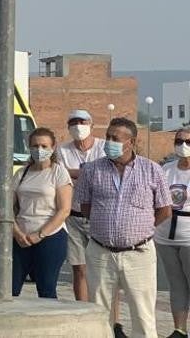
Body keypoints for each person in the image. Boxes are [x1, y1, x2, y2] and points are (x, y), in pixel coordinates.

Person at [74, 117, 172, 338]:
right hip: (101, 252)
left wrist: (142, 229)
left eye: (114, 138)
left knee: (143, 315)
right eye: (107, 137)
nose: (108, 141)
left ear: (131, 142)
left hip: (139, 254)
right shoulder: (92, 170)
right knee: (99, 314)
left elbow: (165, 210)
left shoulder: (152, 170)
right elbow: (85, 206)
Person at [11, 127, 72, 298]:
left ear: (53, 148)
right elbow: (8, 206)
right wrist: (16, 232)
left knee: (46, 288)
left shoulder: (58, 172)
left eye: (44, 146)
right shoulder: (21, 173)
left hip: (50, 235)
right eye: (35, 145)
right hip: (20, 235)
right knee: (10, 288)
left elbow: (64, 210)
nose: (40, 150)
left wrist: (40, 234)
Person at [57, 109, 109, 307]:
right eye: (74, 122)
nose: (78, 126)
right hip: (74, 215)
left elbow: (104, 174)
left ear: (92, 125)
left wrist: (76, 173)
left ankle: (109, 316)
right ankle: (83, 308)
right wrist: (89, 172)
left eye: (83, 121)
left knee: (104, 270)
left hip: (100, 216)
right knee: (79, 268)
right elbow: (60, 176)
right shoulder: (63, 150)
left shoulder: (103, 148)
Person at [156, 127, 190, 338]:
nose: (183, 145)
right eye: (179, 141)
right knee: (176, 284)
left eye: (188, 141)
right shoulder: (166, 169)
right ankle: (180, 329)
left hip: (189, 235)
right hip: (166, 235)